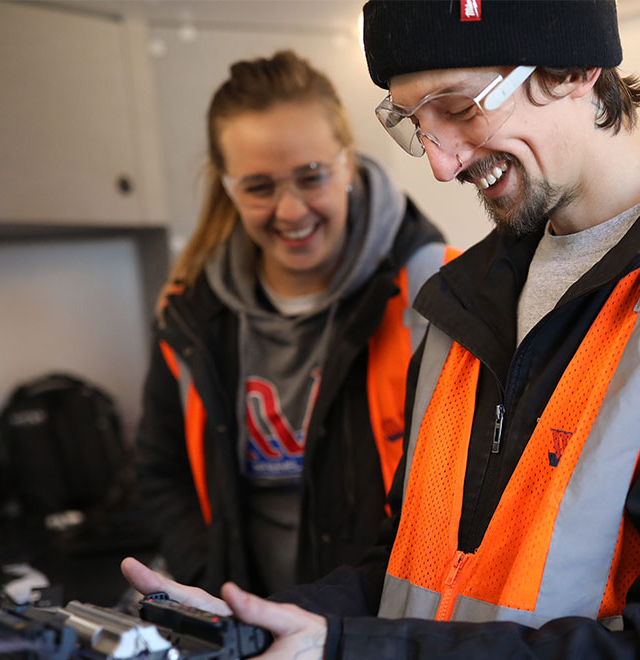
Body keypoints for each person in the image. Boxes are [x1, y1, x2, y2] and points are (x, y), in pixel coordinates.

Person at [123, 2, 640, 658]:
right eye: (415, 122)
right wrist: (270, 621)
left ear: (576, 67)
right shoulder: (461, 302)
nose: (442, 164)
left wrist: (356, 647)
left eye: (462, 108)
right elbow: (411, 567)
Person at [134, 50, 453, 598]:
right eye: (258, 187)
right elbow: (161, 473)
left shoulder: (441, 292)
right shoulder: (191, 314)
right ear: (228, 187)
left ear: (348, 161)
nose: (290, 211)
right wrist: (212, 585)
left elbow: (462, 497)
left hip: (381, 631)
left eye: (311, 177)